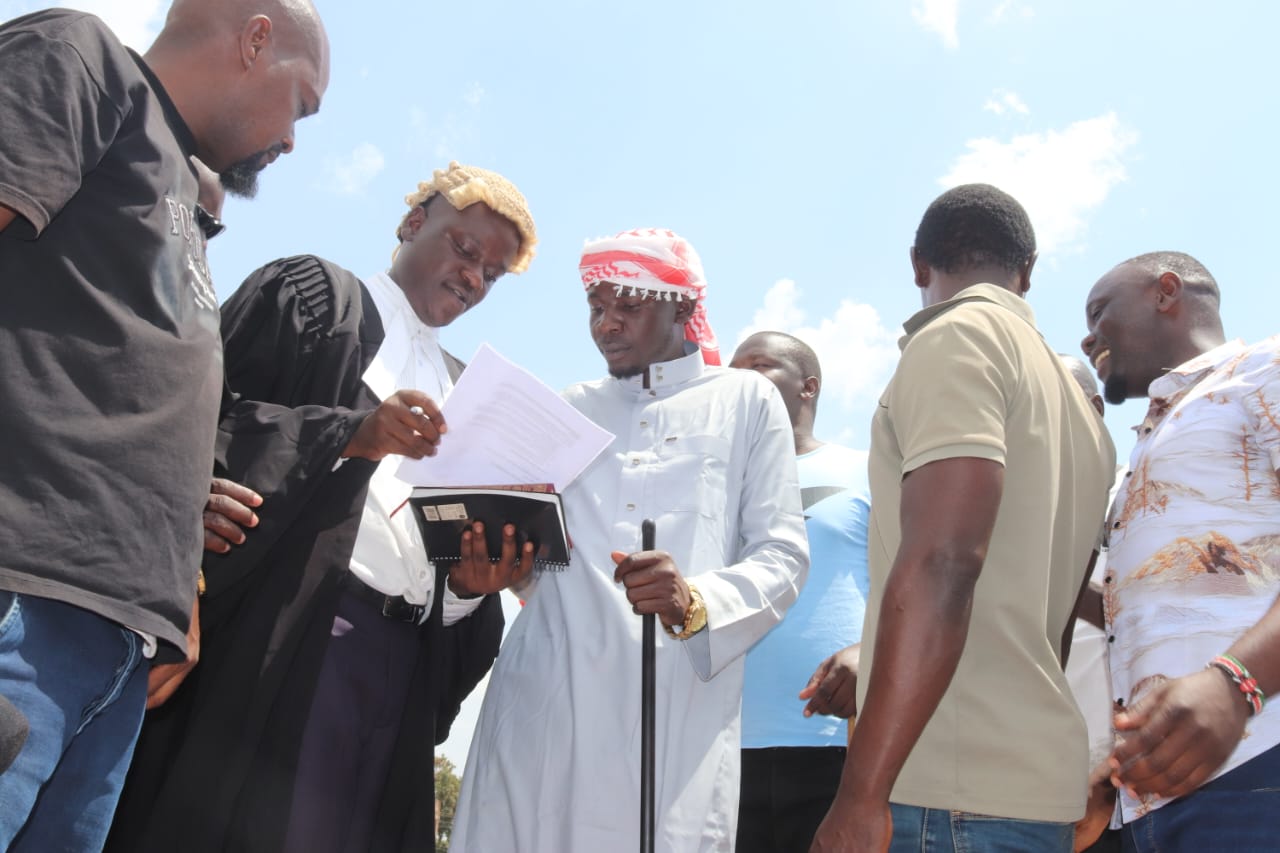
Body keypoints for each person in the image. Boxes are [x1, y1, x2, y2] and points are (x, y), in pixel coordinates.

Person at [106, 161, 537, 853]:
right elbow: (198, 426)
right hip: (291, 640)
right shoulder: (315, 299)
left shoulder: (468, 393)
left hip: (402, 668)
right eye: (464, 249)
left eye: (492, 273)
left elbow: (441, 564)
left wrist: (466, 589)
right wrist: (349, 436)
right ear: (413, 223)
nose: (473, 278)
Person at [0, 2, 328, 848]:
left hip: (119, 647)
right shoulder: (81, 58)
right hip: (24, 596)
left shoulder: (182, 191)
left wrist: (176, 589)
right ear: (256, 39)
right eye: (302, 101)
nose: (293, 140)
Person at [450, 228, 809, 852]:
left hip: (673, 704)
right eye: (597, 308)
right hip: (547, 696)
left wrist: (695, 600)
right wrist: (499, 566)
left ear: (684, 307)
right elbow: (540, 563)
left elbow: (782, 554)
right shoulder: (566, 410)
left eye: (629, 306)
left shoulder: (745, 400)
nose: (607, 324)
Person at [810, 184, 1116, 853]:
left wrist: (860, 795)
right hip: (1031, 782)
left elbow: (943, 564)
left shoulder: (958, 338)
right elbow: (1059, 623)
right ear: (1027, 271)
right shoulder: (1081, 411)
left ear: (918, 264)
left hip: (941, 790)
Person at [1078, 252, 1280, 852]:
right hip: (1163, 793)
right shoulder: (1150, 440)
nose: (1088, 338)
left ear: (1166, 292)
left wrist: (1236, 683)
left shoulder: (1263, 370)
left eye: (1099, 312)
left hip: (1259, 763)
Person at [729, 331, 870, 852]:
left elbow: (910, 585)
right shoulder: (713, 486)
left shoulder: (866, 470)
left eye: (758, 367)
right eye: (732, 372)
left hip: (835, 742)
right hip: (721, 749)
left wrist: (871, 650)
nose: (739, 381)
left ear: (808, 387)